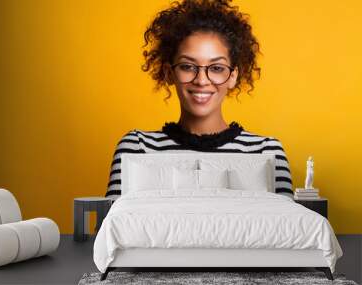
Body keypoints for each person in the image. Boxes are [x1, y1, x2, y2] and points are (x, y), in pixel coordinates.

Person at [105, 0, 293, 200]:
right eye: (188, 66)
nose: (202, 81)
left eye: (217, 68)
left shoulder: (266, 151)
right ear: (169, 73)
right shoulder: (137, 148)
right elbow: (112, 228)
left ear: (232, 76)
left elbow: (287, 229)